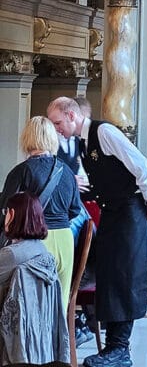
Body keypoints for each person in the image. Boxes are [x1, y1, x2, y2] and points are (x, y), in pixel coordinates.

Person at [48, 95, 147, 367]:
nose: (56, 129)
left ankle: (120, 349)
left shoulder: (105, 132)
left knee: (125, 276)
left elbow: (139, 164)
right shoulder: (83, 142)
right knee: (110, 276)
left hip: (130, 211)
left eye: (57, 122)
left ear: (72, 116)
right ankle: (111, 344)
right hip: (112, 213)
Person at [0, 114, 82, 312]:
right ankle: (57, 341)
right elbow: (75, 209)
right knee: (58, 303)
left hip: (35, 243)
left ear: (27, 138)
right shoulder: (67, 172)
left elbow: (5, 211)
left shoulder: (21, 171)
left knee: (33, 305)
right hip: (64, 240)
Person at [0, 191, 70, 366]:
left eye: (5, 212)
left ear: (12, 214)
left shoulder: (11, 255)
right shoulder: (43, 251)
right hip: (36, 336)